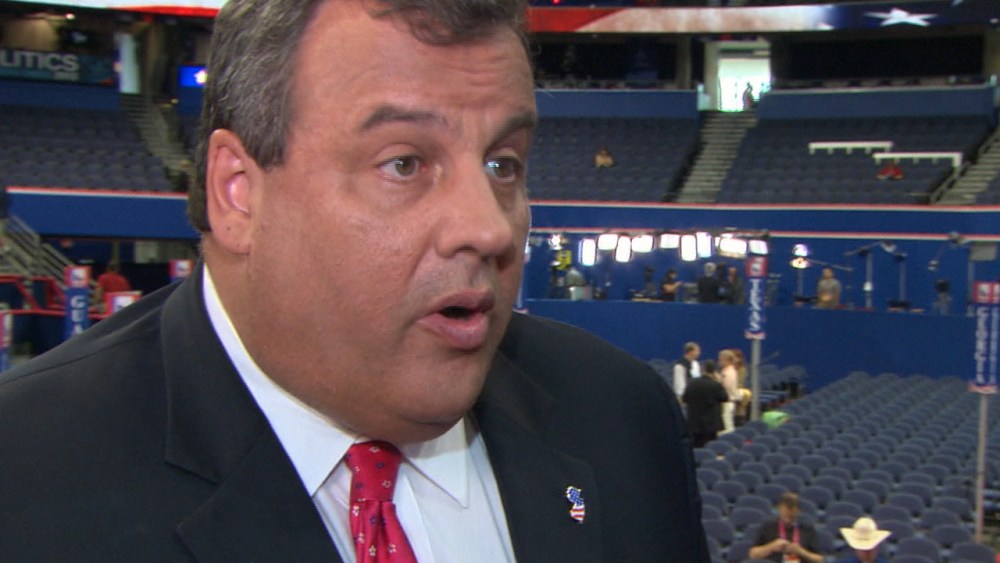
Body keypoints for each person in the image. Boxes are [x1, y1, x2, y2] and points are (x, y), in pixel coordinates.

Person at [0, 0, 709, 560]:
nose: (490, 228)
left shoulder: (622, 418)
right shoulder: (26, 478)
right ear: (239, 193)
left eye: (503, 164)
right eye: (404, 163)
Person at [748, 492, 824, 563]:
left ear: (798, 511)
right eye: (785, 517)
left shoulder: (807, 528)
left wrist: (801, 551)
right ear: (779, 509)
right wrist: (771, 547)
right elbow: (753, 554)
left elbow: (820, 559)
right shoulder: (768, 526)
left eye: (792, 517)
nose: (788, 521)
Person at [682, 359, 728, 448]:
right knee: (711, 447)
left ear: (702, 369)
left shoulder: (692, 383)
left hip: (694, 422)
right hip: (711, 423)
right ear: (714, 371)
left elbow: (685, 399)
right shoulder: (716, 385)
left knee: (695, 448)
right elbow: (724, 398)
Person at [717, 349, 741, 433]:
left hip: (727, 402)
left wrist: (718, 381)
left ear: (726, 360)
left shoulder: (729, 372)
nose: (719, 361)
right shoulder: (726, 371)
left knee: (727, 427)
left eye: (720, 359)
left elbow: (726, 387)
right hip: (726, 402)